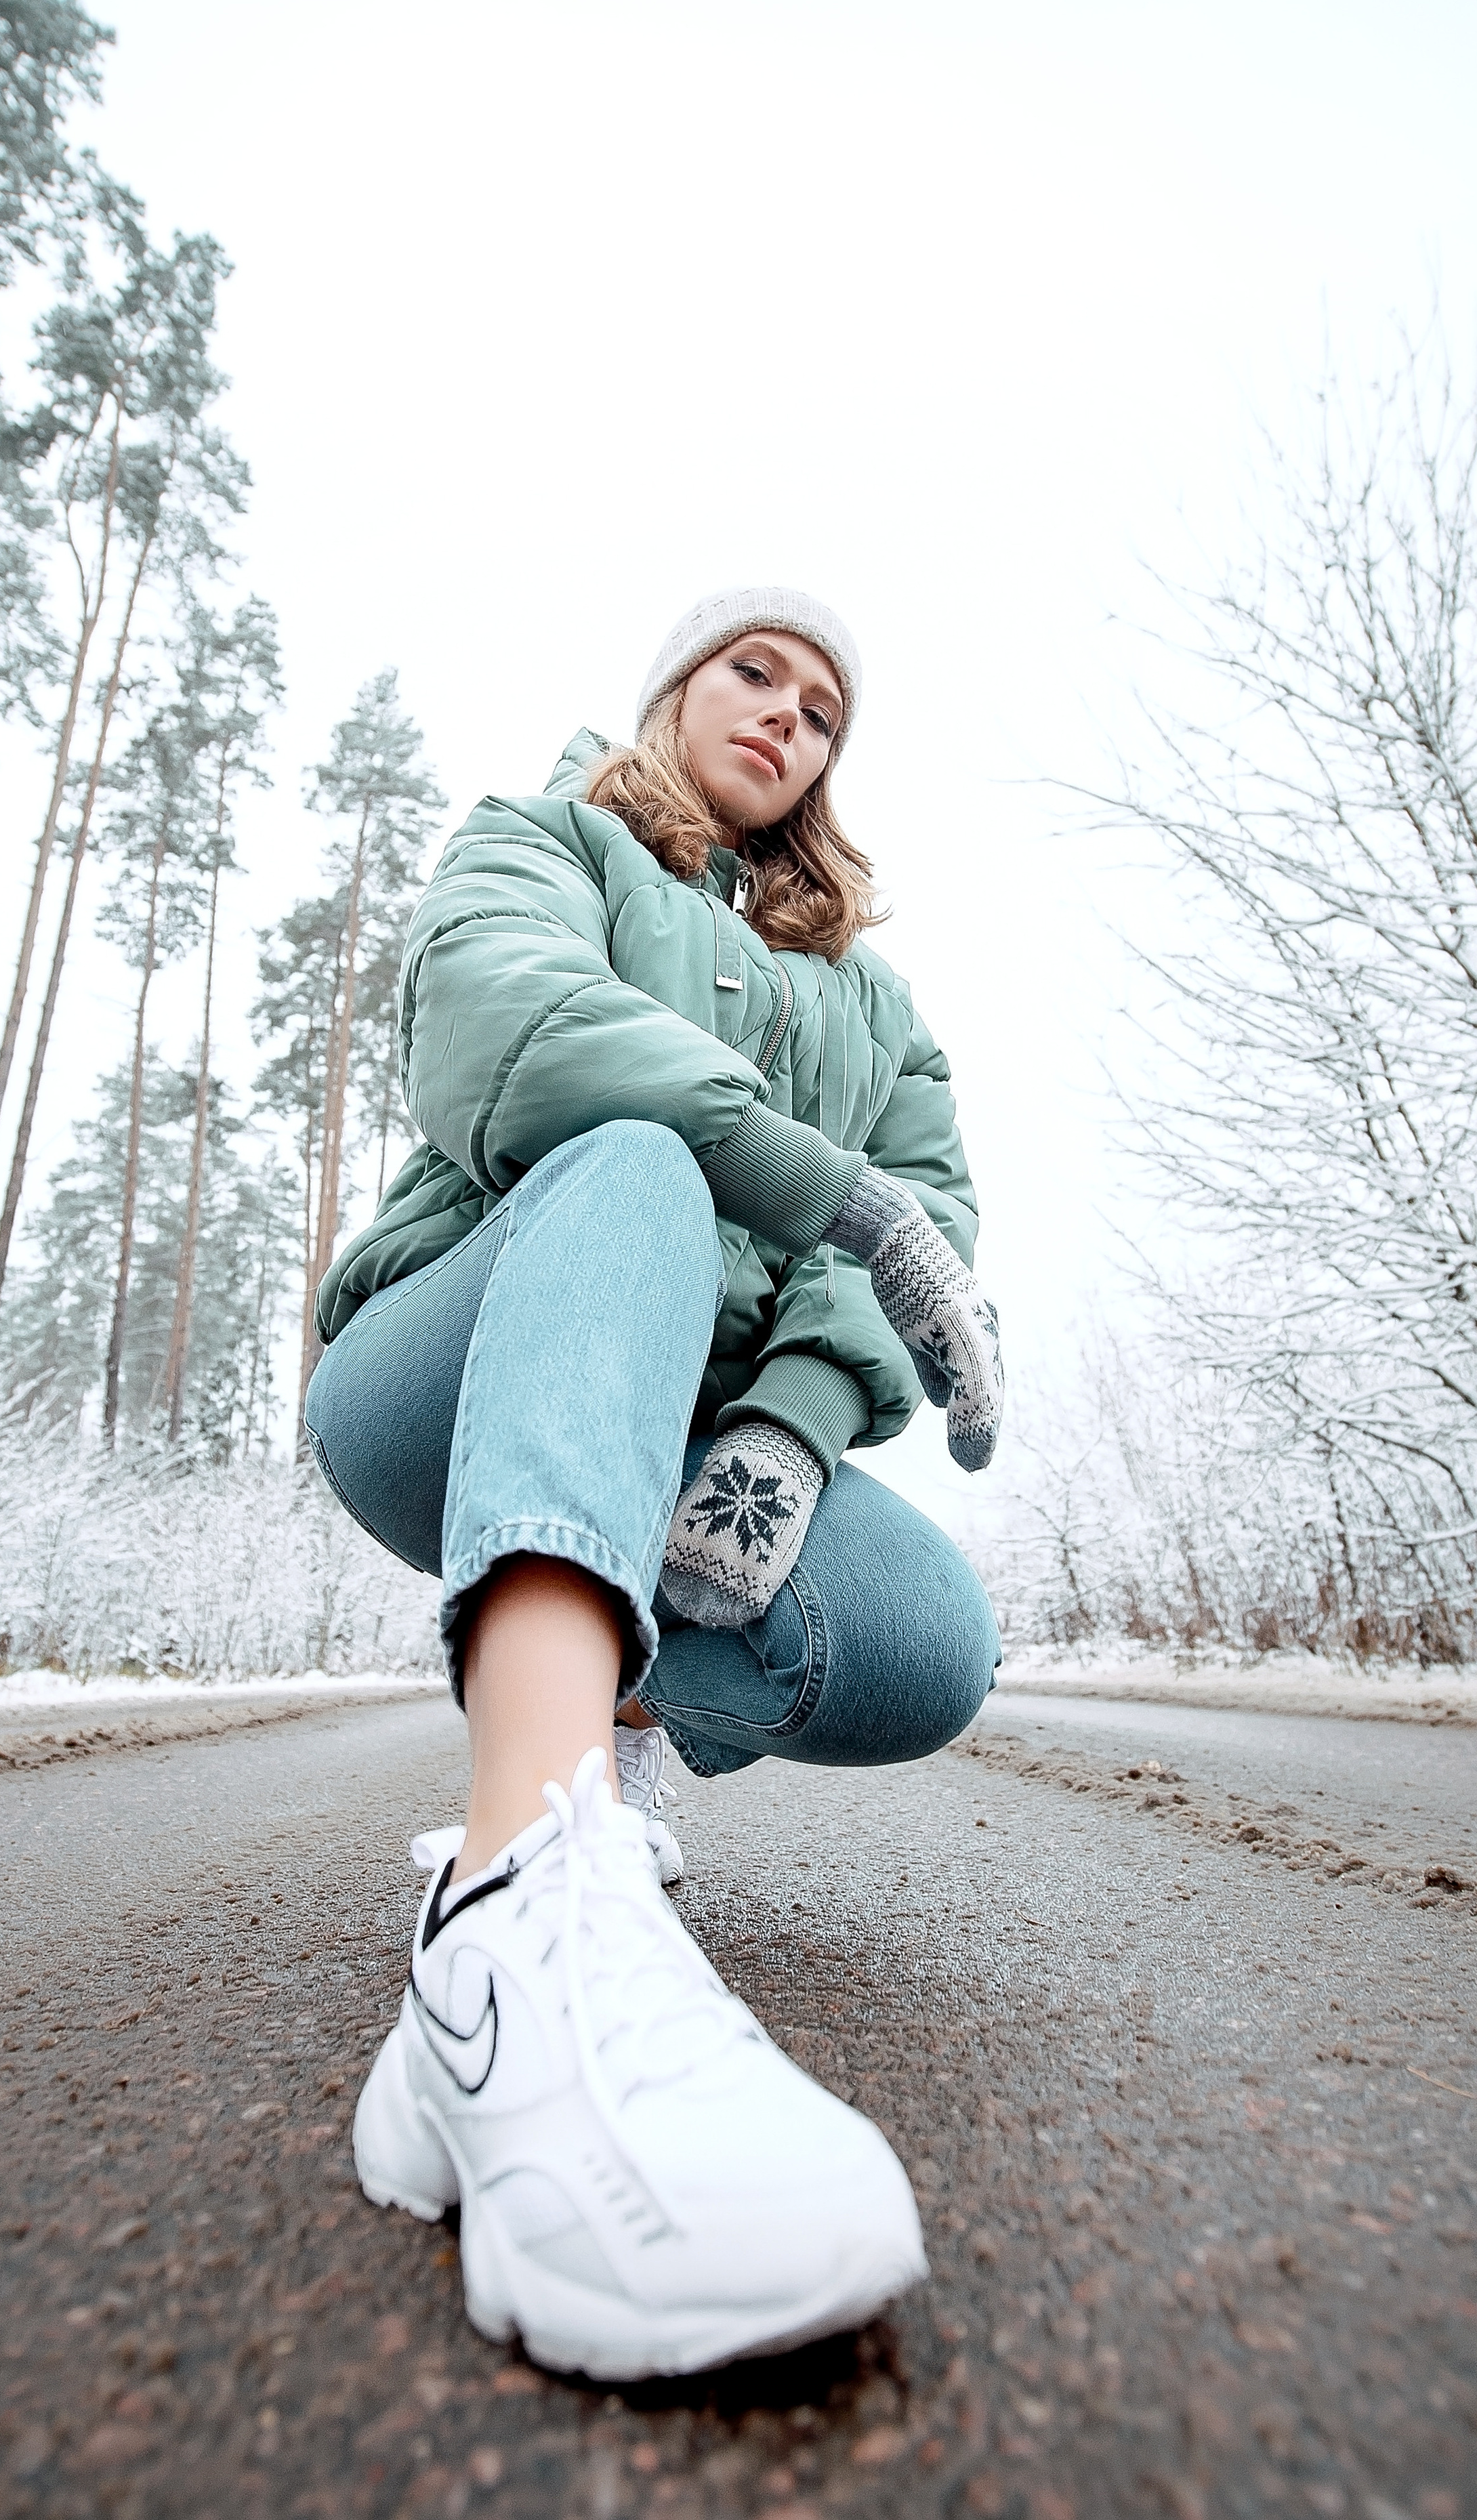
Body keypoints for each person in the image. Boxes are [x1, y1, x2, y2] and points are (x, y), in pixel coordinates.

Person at [304, 588, 1004, 2381]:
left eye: (825, 707)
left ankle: (581, 1784)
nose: (786, 715)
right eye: (753, 670)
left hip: (697, 1433)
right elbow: (503, 1020)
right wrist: (810, 1181)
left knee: (924, 1635)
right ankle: (518, 1897)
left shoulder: (880, 1005)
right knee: (635, 1162)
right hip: (450, 1379)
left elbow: (930, 1199)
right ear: (680, 689)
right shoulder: (549, 837)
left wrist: (791, 1422)